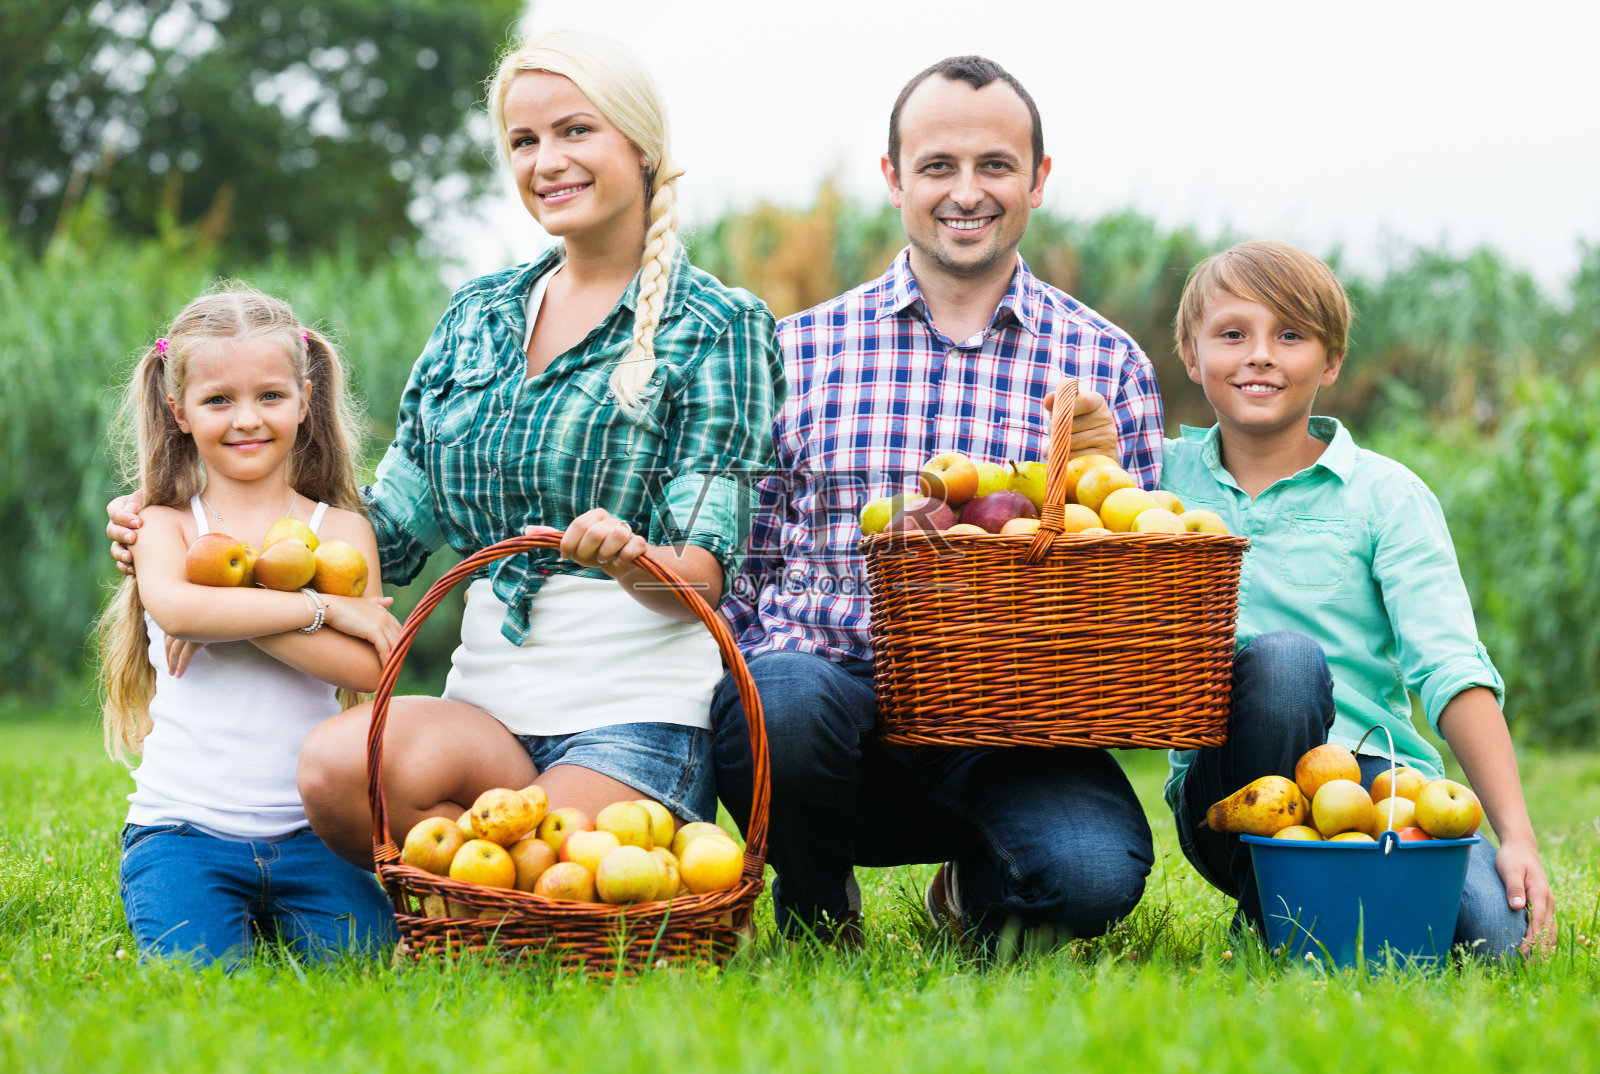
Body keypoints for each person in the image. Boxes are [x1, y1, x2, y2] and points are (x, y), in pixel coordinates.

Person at [107, 31, 783, 870]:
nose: (548, 162)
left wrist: (633, 559)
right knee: (332, 766)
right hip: (485, 710)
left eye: (576, 131)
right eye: (524, 141)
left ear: (642, 146)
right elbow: (381, 534)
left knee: (541, 879)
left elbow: (704, 578)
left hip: (633, 719)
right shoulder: (477, 318)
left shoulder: (719, 327)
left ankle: (630, 871)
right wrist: (198, 547)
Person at [712, 55, 1164, 950]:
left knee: (1091, 873)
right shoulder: (793, 352)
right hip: (826, 700)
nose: (968, 192)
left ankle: (974, 888)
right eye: (937, 166)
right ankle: (816, 895)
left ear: (1037, 178)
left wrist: (1061, 511)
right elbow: (743, 570)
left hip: (1017, 727)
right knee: (786, 701)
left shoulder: (1106, 367)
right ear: (893, 179)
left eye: (996, 166)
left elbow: (1134, 584)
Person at [1158, 239, 1556, 956]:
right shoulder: (1155, 481)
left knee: (1493, 939)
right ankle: (1274, 921)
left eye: (1290, 335)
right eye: (1232, 334)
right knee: (1284, 667)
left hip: (1377, 782)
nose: (1259, 355)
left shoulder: (1386, 495)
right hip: (1231, 792)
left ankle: (1313, 913)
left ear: (1332, 360)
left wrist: (1516, 834)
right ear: (1192, 356)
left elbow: (1450, 666)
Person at [96, 285, 402, 967]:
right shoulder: (164, 524)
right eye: (218, 401)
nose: (247, 420)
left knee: (365, 966)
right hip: (181, 833)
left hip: (312, 837)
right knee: (198, 975)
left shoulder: (342, 530)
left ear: (304, 398)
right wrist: (321, 608)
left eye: (270, 396)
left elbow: (373, 668)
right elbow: (178, 611)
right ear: (178, 411)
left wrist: (230, 611)